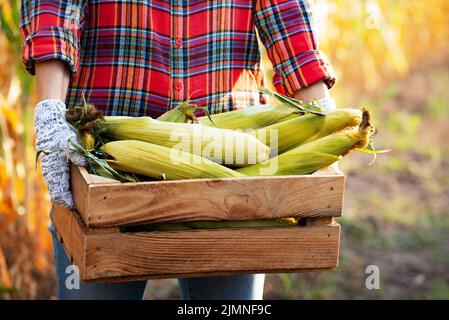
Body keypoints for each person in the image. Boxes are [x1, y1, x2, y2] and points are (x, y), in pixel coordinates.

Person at [20, 0, 336, 300]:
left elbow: (285, 12)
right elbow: (54, 8)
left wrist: (320, 111)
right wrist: (50, 108)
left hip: (231, 157)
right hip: (104, 153)